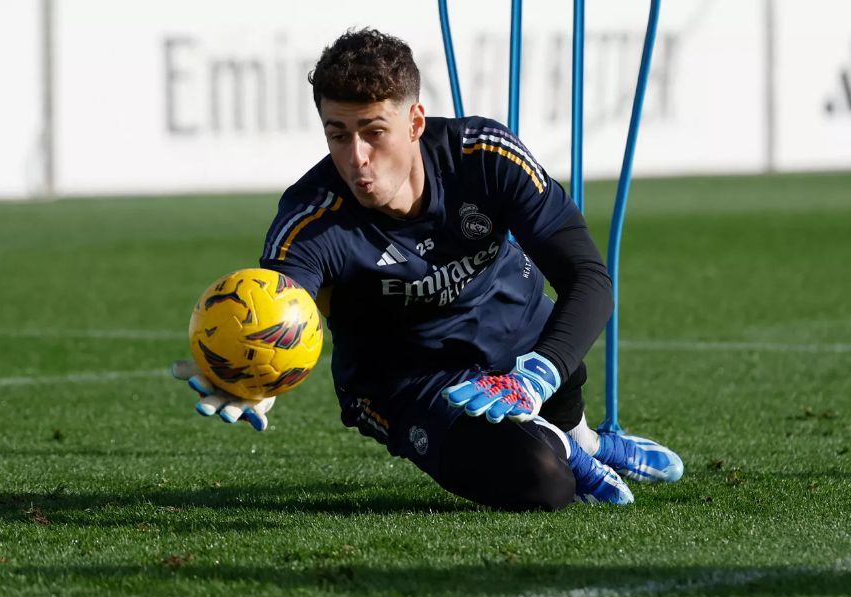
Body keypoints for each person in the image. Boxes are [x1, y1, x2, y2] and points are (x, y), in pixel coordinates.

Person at [173, 28, 683, 510]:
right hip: (408, 380)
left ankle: (584, 438)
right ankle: (561, 447)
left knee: (564, 344)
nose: (358, 158)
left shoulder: (485, 156)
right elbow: (281, 305)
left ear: (415, 122)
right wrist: (250, 372)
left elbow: (588, 277)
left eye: (374, 132)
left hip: (515, 336)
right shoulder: (311, 220)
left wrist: (538, 373)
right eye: (338, 134)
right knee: (544, 481)